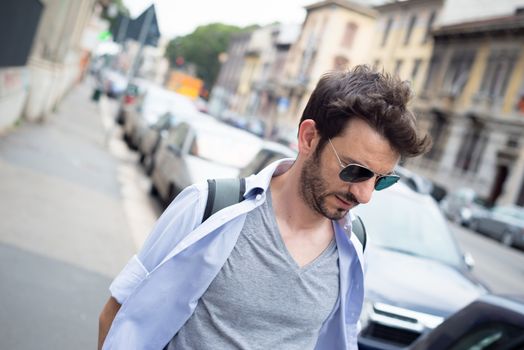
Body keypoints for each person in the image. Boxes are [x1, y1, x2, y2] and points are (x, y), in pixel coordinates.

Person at [98, 65, 430, 350]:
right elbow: (118, 315)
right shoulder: (209, 207)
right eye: (355, 170)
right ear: (309, 138)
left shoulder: (353, 249)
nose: (365, 194)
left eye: (381, 180)